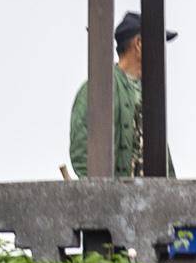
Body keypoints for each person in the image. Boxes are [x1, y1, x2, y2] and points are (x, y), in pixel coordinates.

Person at [68, 11, 166, 178]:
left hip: (148, 198)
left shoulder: (148, 93)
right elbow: (82, 151)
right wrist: (100, 195)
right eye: (158, 43)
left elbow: (164, 160)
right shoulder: (101, 87)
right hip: (115, 199)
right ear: (139, 43)